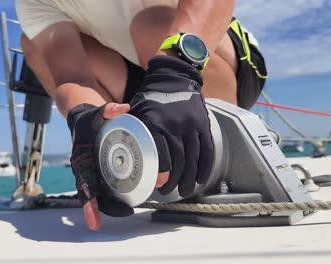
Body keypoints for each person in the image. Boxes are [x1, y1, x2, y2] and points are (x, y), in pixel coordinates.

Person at [15, 0, 267, 231]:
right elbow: (72, 77)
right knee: (34, 44)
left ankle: (207, 122)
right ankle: (153, 148)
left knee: (150, 22)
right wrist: (86, 119)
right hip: (141, 73)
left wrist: (175, 70)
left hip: (211, 56)